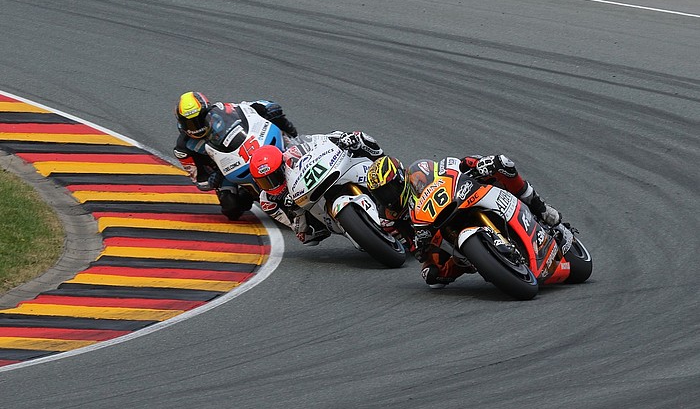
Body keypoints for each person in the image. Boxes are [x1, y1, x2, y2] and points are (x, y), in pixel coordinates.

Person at [367, 153, 566, 288]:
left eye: (389, 190)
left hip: (461, 197)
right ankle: (479, 261)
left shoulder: (419, 172)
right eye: (380, 195)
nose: (388, 198)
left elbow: (450, 166)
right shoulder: (390, 216)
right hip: (439, 231)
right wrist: (420, 245)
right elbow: (415, 249)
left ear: (401, 179)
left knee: (501, 164)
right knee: (432, 276)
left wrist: (476, 164)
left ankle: (541, 209)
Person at [173, 91, 298, 220]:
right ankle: (249, 193)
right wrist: (213, 179)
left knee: (274, 114)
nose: (196, 126)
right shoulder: (183, 149)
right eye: (190, 123)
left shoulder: (223, 110)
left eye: (200, 119)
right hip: (225, 171)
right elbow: (200, 181)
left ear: (207, 111)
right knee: (231, 208)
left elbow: (247, 107)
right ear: (181, 122)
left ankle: (295, 140)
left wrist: (266, 107)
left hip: (248, 146)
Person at [249, 131, 384, 245]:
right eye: (265, 182)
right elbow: (299, 231)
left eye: (274, 177)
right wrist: (294, 210)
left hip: (326, 174)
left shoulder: (294, 153)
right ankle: (357, 229)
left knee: (359, 138)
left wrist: (341, 138)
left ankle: (384, 162)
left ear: (282, 165)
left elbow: (321, 140)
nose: (273, 185)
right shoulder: (268, 201)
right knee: (308, 238)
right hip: (313, 208)